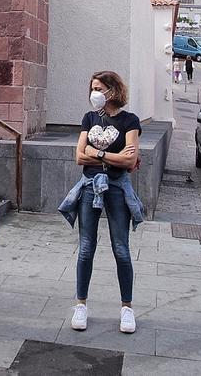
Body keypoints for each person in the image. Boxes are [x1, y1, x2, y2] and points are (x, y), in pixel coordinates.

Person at [59, 71, 145, 334]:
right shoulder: (89, 118)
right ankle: (81, 304)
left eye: (98, 88)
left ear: (111, 91)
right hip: (89, 187)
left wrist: (96, 153)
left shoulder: (130, 120)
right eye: (92, 88)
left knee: (121, 248)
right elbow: (79, 157)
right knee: (86, 248)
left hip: (117, 188)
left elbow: (131, 162)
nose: (94, 93)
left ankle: (127, 308)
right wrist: (111, 155)